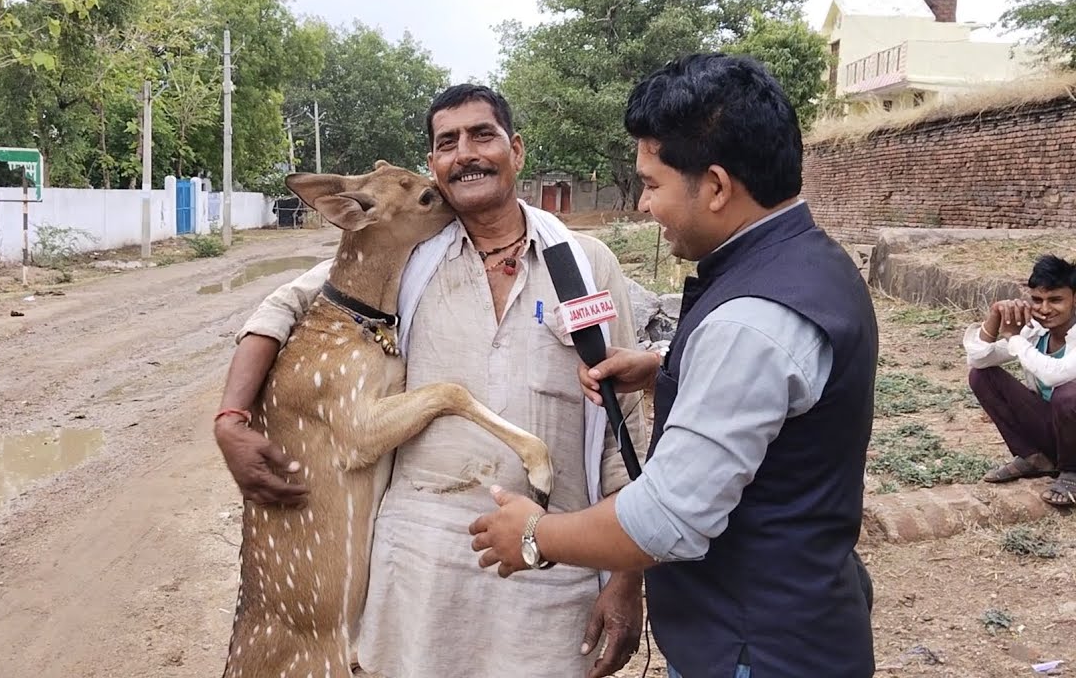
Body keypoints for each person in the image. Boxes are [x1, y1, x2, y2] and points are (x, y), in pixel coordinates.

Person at [213, 84, 649, 677]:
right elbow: (282, 307)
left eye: (482, 135)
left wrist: (626, 579)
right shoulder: (408, 253)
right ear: (434, 167)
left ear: (516, 150)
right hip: (416, 571)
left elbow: (623, 434)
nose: (465, 153)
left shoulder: (585, 262)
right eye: (448, 143)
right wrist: (231, 419)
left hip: (549, 564)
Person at [469, 52, 878, 678]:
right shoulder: (808, 261)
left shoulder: (749, 322)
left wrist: (534, 535)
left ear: (715, 186)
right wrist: (665, 369)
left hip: (753, 650)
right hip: (795, 623)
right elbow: (777, 397)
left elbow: (666, 520)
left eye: (653, 184)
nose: (642, 207)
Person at [967, 254, 1076, 505]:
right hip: (1057, 431)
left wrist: (1014, 338)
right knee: (982, 377)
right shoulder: (1036, 331)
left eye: (1056, 300)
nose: (1045, 309)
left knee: (1068, 394)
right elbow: (978, 360)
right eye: (1037, 300)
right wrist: (994, 318)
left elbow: (1055, 374)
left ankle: (1072, 473)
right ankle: (1034, 457)